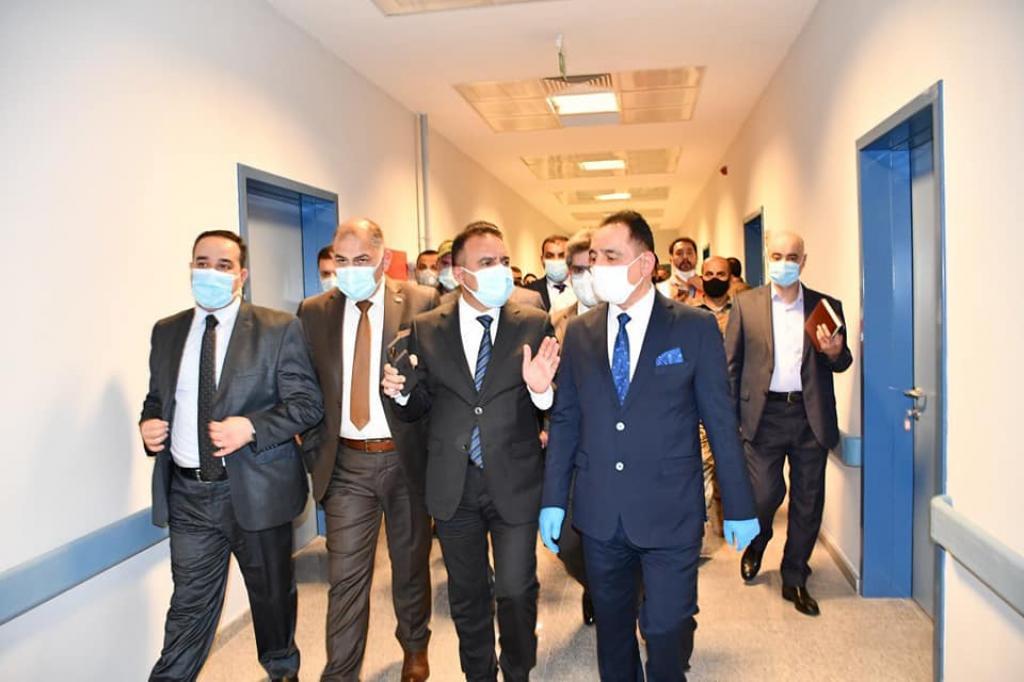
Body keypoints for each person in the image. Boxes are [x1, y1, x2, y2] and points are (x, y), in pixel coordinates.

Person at [540, 211, 758, 681]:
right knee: (614, 633)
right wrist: (554, 498)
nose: (597, 267)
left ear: (645, 264)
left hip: (670, 509)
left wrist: (740, 504)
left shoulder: (693, 328)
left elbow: (721, 422)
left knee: (665, 627)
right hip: (601, 512)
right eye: (594, 257)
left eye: (610, 256)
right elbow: (567, 419)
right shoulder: (580, 332)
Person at [139, 230, 323, 682]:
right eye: (202, 263)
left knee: (272, 599)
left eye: (223, 266)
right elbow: (157, 398)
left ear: (242, 275)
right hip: (189, 494)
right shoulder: (167, 331)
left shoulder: (277, 328)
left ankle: (282, 671)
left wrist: (252, 427)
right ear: (190, 268)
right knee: (189, 605)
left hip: (257, 491)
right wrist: (149, 424)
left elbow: (307, 405)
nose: (211, 273)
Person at [381, 221, 560, 682]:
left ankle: (518, 669)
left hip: (515, 478)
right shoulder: (426, 328)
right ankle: (478, 673)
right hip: (453, 481)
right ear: (460, 274)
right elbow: (419, 405)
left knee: (516, 589)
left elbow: (552, 401)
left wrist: (542, 392)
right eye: (487, 262)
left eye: (504, 261)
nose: (500, 270)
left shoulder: (533, 322)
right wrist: (401, 393)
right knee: (467, 593)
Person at [296, 219, 437, 682]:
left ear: (383, 258)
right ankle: (341, 672)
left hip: (405, 457)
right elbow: (306, 386)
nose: (350, 269)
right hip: (347, 463)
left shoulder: (420, 302)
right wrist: (314, 448)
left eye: (361, 260)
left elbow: (437, 383)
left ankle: (414, 645)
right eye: (341, 260)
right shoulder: (313, 311)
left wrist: (411, 390)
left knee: (410, 564)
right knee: (346, 576)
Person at [725, 230, 853, 616]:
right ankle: (759, 538)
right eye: (777, 256)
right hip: (762, 416)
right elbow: (731, 366)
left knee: (808, 501)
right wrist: (730, 421)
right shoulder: (746, 305)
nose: (784, 263)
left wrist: (835, 352)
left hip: (810, 417)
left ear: (803, 261)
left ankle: (795, 575)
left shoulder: (824, 307)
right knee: (764, 495)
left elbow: (842, 361)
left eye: (792, 257)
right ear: (768, 258)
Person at [548, 229, 598, 626]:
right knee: (569, 539)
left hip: (617, 444)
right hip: (570, 442)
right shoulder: (556, 321)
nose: (584, 277)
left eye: (590, 267)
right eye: (577, 270)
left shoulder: (628, 315)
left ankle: (622, 592)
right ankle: (593, 584)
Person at [524, 234, 575, 312]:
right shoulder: (529, 291)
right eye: (549, 256)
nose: (556, 260)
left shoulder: (582, 288)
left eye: (562, 255)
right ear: (542, 260)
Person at [656, 236, 702, 303]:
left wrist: (704, 289)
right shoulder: (660, 289)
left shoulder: (707, 287)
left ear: (696, 257)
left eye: (689, 253)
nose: (685, 257)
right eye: (679, 253)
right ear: (671, 259)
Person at [698, 256, 734, 335]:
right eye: (709, 274)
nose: (714, 279)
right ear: (702, 278)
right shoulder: (689, 310)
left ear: (730, 279)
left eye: (721, 274)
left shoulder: (740, 310)